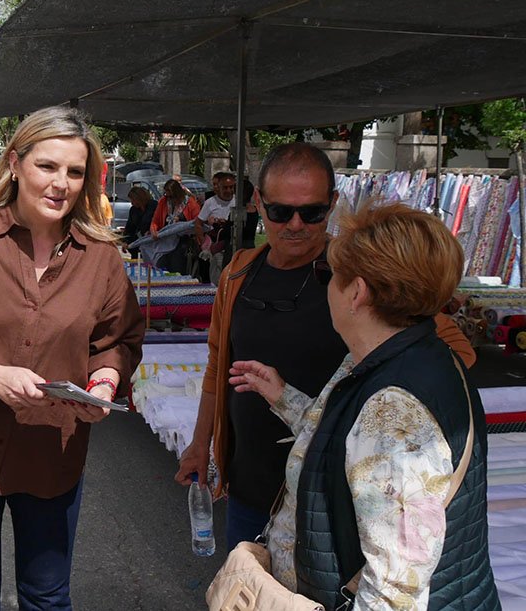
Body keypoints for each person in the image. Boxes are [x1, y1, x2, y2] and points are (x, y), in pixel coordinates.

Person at [174, 142, 475, 551]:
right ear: (259, 204)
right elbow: (217, 366)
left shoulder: (361, 273)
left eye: (312, 212)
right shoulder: (238, 272)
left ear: (332, 204)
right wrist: (199, 445)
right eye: (281, 211)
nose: (295, 224)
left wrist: (384, 416)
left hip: (333, 498)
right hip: (249, 484)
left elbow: (449, 352)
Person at [0, 106, 144, 611]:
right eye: (47, 166)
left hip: (52, 451)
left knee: (47, 595)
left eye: (75, 172)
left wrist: (102, 384)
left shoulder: (99, 255)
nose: (61, 183)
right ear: (15, 163)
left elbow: (117, 339)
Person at [230, 203, 499, 609]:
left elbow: (393, 592)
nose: (325, 287)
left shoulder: (395, 410)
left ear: (357, 292)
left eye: (328, 275)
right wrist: (283, 396)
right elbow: (347, 447)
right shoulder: (395, 356)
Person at [149, 178, 201, 273]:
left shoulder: (191, 204)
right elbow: (155, 221)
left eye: (172, 197)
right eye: (167, 196)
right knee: (161, 268)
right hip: (164, 243)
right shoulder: (163, 202)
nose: (170, 199)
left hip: (182, 245)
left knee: (177, 269)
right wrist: (153, 231)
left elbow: (197, 222)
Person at [195, 171, 237, 284]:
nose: (229, 190)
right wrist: (204, 244)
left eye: (231, 187)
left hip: (233, 247)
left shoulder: (237, 202)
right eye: (225, 187)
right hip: (216, 249)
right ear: (219, 187)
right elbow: (198, 223)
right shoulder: (210, 203)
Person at [122, 185, 155, 258]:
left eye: (133, 200)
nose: (132, 203)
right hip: (137, 243)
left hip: (152, 242)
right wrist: (125, 241)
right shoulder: (133, 210)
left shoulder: (153, 206)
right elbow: (129, 227)